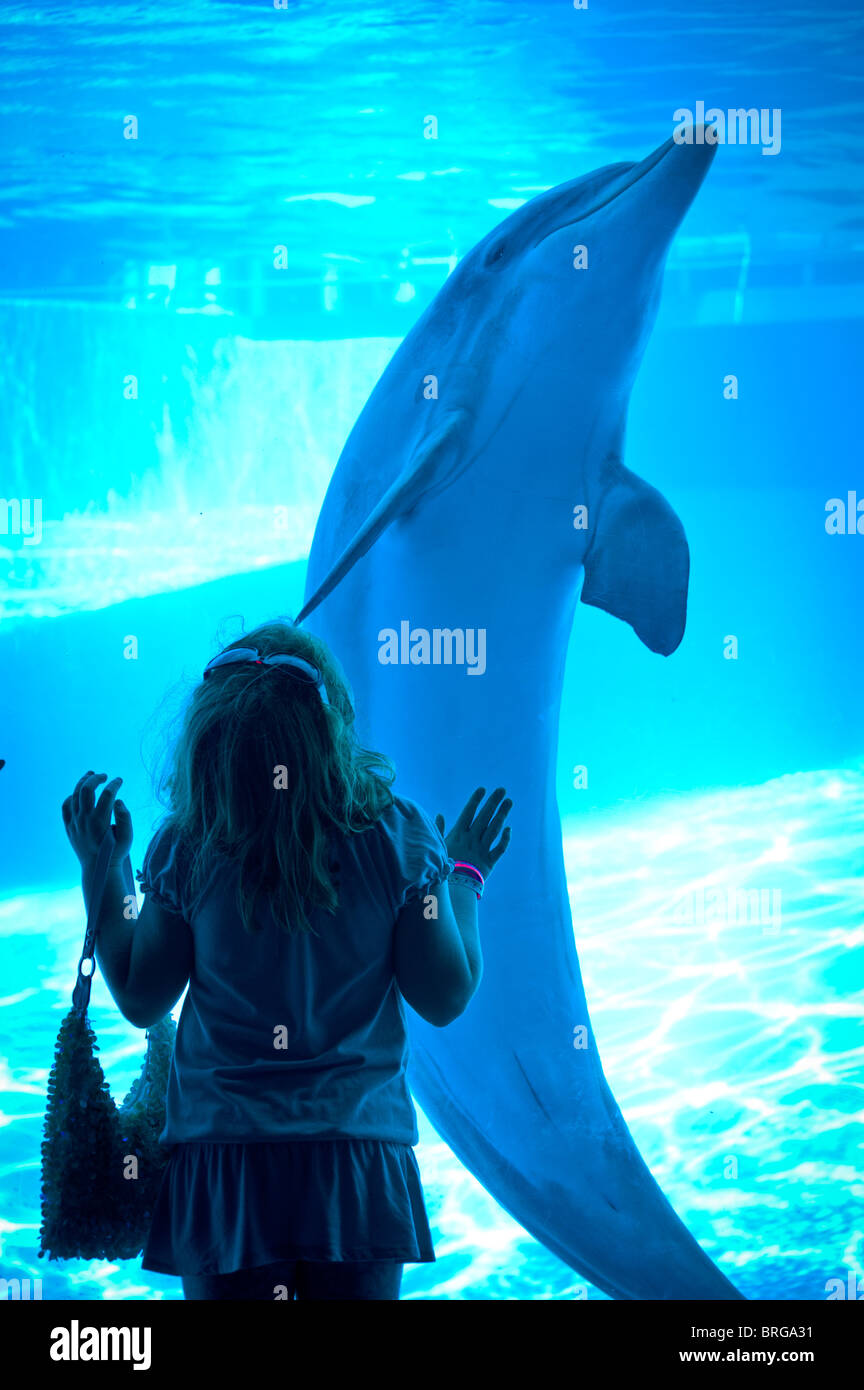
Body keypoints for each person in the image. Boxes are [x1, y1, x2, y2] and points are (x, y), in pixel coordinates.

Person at [61, 618, 512, 1301]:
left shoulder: (190, 846)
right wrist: (464, 877)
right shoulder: (397, 838)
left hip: (225, 1165)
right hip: (355, 1160)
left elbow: (141, 995)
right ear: (333, 727)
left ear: (207, 744)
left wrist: (107, 870)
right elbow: (445, 995)